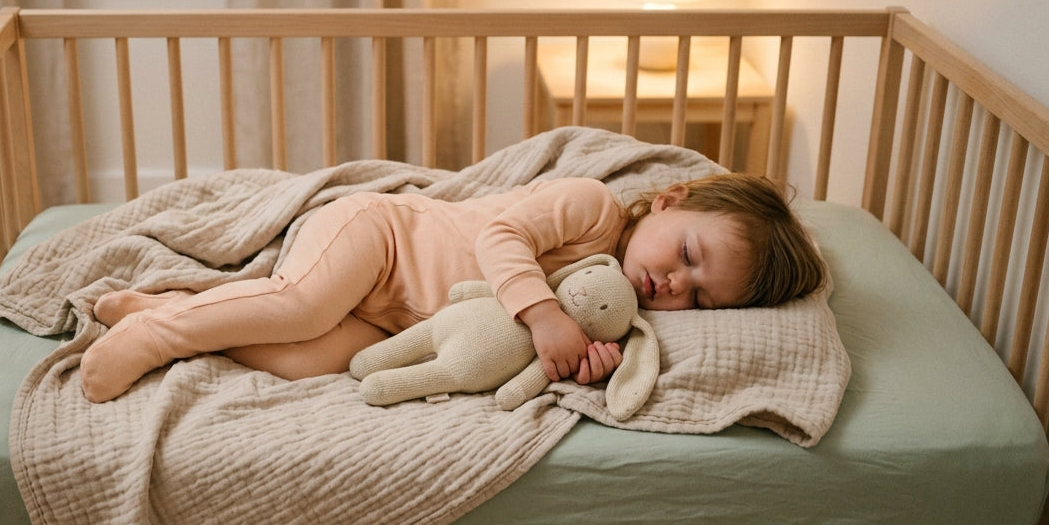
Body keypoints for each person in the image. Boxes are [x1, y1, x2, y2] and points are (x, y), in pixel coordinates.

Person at [78, 172, 827, 403]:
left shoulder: (614, 305)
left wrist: (589, 365)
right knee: (299, 306)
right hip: (381, 240)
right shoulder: (592, 208)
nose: (673, 285)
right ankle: (154, 336)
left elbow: (551, 348)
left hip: (394, 320)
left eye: (698, 298)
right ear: (669, 201)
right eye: (688, 254)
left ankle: (174, 309)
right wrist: (541, 316)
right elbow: (503, 241)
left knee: (310, 358)